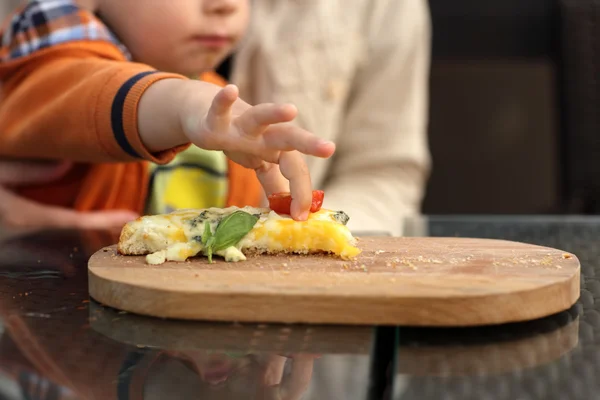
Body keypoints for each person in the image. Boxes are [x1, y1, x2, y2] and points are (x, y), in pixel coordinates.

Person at [1, 0, 431, 237]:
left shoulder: (226, 122)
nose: (224, 5)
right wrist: (186, 104)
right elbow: (84, 88)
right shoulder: (50, 40)